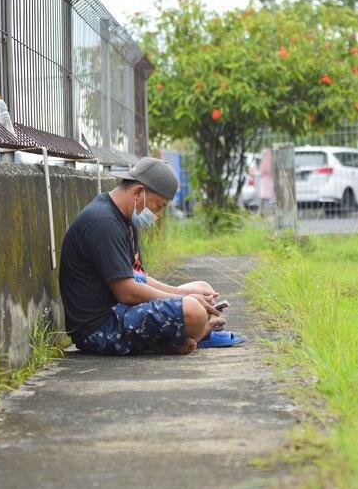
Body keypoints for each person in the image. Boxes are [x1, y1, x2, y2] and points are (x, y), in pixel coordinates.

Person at [59, 157, 226, 356]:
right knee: (194, 311)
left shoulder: (126, 219)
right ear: (139, 192)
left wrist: (186, 293)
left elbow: (138, 278)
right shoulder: (103, 222)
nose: (157, 215)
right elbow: (127, 292)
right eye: (159, 206)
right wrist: (185, 299)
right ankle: (199, 331)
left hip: (121, 311)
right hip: (101, 329)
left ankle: (178, 338)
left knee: (202, 288)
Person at [259, 148, 274, 216]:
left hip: (266, 179)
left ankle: (263, 211)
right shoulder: (267, 160)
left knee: (265, 195)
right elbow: (268, 170)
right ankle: (266, 211)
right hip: (267, 179)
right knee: (267, 195)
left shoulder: (265, 160)